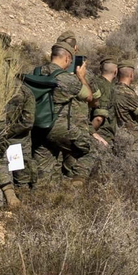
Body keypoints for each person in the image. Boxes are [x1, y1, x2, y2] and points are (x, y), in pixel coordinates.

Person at [21, 35, 95, 186]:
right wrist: (81, 77)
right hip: (58, 128)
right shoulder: (67, 79)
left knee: (44, 171)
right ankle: (77, 182)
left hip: (37, 128)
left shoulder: (36, 72)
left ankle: (40, 200)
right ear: (67, 59)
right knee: (90, 149)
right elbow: (89, 97)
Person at [0, 73, 34, 209]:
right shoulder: (24, 91)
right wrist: (9, 131)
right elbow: (27, 121)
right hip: (16, 142)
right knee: (20, 181)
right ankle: (20, 210)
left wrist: (2, 131)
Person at [112, 61, 138, 149]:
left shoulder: (111, 89)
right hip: (130, 139)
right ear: (131, 75)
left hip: (114, 136)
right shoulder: (128, 93)